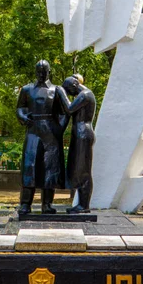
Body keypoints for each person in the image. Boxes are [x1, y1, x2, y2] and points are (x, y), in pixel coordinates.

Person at [16, 60, 68, 214]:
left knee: (50, 168)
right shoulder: (27, 89)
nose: (41, 74)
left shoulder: (56, 90)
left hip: (51, 133)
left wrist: (59, 129)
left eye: (44, 71)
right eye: (38, 71)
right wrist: (23, 117)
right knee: (29, 166)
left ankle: (47, 204)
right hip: (33, 131)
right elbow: (20, 107)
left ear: (49, 71)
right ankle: (25, 204)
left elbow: (65, 111)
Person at [58, 74, 97, 213]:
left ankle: (84, 205)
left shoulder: (85, 95)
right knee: (79, 170)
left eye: (69, 91)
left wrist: (61, 92)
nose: (70, 94)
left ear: (74, 85)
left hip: (83, 134)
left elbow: (69, 109)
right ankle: (82, 203)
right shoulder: (84, 95)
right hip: (79, 134)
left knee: (84, 171)